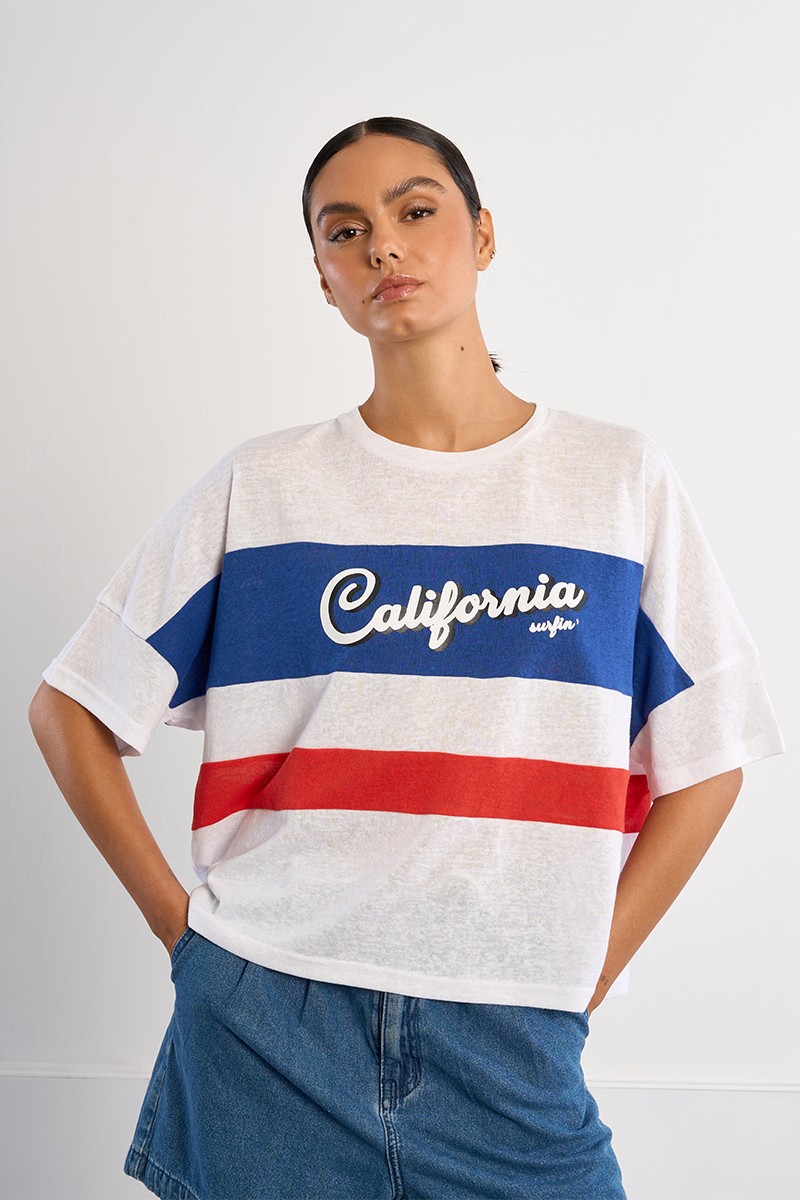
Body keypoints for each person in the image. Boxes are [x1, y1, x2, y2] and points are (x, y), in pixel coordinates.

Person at [28, 116, 785, 1200]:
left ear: (482, 235)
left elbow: (709, 756)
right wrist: (188, 942)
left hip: (514, 1035)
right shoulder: (264, 487)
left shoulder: (616, 482)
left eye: (415, 210)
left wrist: (589, 963)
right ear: (324, 279)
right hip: (267, 1019)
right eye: (345, 230)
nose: (382, 244)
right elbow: (70, 708)